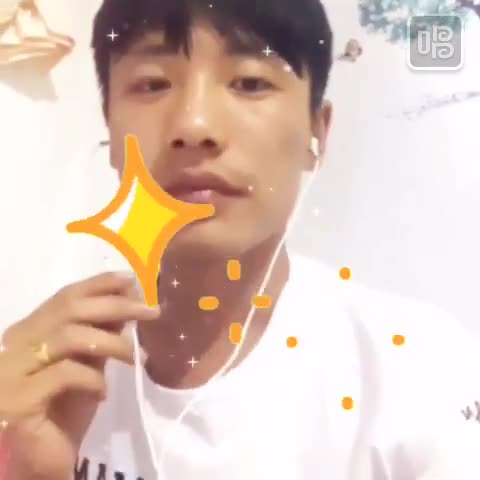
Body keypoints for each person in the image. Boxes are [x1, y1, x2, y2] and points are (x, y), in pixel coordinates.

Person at [1, 0, 480, 479]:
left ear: (317, 132)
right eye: (153, 84)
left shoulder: (418, 374)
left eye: (250, 83)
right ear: (110, 127)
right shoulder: (48, 367)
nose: (194, 126)